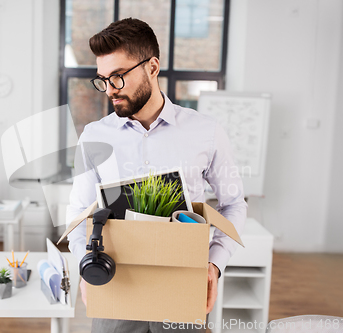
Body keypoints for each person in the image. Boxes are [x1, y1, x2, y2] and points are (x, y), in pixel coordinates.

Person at [66, 18, 247, 333]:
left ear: (152, 66)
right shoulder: (94, 136)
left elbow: (234, 204)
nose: (109, 89)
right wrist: (85, 265)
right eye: (102, 79)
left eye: (118, 77)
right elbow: (78, 212)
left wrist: (214, 265)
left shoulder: (206, 132)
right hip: (115, 287)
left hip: (181, 284)